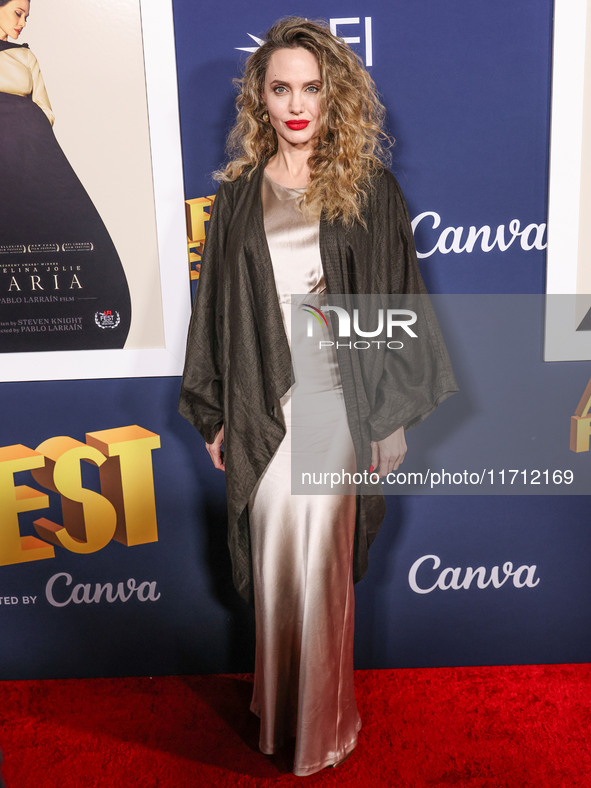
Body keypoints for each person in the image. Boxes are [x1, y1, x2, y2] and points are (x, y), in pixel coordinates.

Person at [179, 17, 457, 776]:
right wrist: (218, 410)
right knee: (276, 568)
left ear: (333, 96)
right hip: (265, 407)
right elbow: (217, 314)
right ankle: (280, 715)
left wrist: (391, 417)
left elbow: (397, 302)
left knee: (320, 570)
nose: (296, 104)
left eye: (311, 87)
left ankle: (323, 727)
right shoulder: (237, 197)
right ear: (258, 99)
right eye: (280, 88)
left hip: (338, 406)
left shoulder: (369, 189)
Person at [0, 0, 131, 351]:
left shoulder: (25, 57)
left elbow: (45, 108)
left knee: (56, 232)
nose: (23, 22)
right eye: (17, 12)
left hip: (34, 154)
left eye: (27, 16)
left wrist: (34, 143)